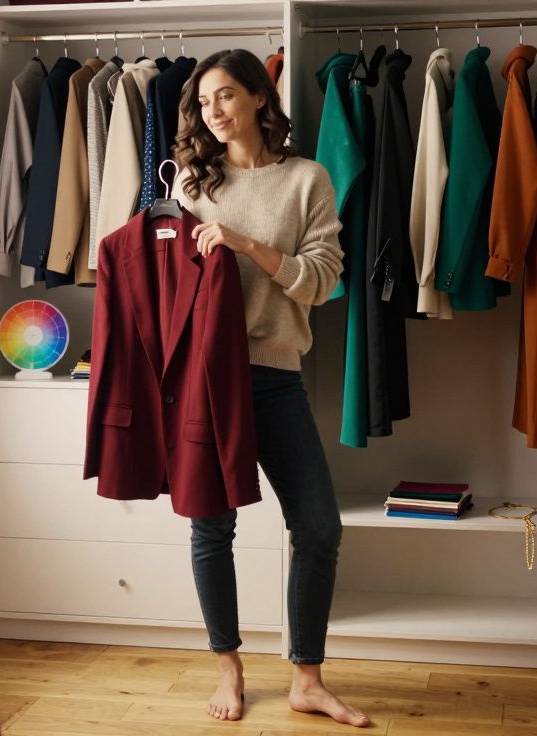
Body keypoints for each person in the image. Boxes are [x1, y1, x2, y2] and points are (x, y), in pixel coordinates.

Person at [172, 50, 369, 727]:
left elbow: (321, 279)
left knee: (318, 527)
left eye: (225, 96)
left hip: (277, 377)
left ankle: (306, 679)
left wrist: (244, 244)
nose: (214, 112)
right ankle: (228, 669)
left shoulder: (306, 180)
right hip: (208, 380)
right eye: (203, 104)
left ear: (260, 97)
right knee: (211, 528)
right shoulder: (192, 187)